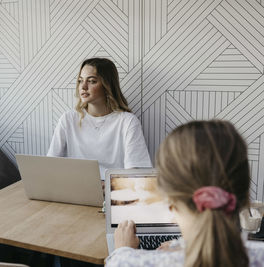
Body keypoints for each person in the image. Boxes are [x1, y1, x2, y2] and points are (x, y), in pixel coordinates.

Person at [106, 120, 264, 267]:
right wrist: (181, 245)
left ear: (169, 202)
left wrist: (123, 250)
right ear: (245, 197)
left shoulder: (127, 262)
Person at [47, 58, 151, 179]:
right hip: (75, 190)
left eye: (92, 81)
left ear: (107, 85)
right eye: (80, 81)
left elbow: (135, 172)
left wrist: (109, 185)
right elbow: (51, 163)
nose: (83, 86)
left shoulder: (128, 122)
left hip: (113, 192)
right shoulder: (68, 119)